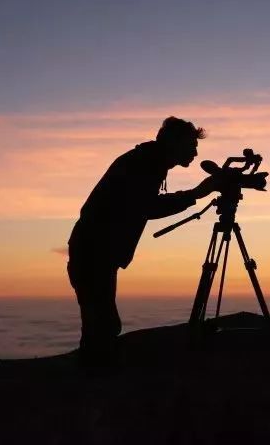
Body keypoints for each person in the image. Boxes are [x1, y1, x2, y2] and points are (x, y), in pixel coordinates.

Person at [67, 117, 218, 367]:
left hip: (96, 250)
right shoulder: (145, 163)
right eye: (191, 144)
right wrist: (196, 194)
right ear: (174, 142)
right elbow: (147, 206)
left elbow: (142, 205)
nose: (195, 151)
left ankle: (94, 375)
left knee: (101, 322)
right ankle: (95, 384)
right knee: (102, 324)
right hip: (94, 252)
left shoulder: (149, 160)